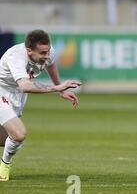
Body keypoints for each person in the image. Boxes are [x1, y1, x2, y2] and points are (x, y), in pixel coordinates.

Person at [0, 30, 82, 181]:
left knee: (5, 139)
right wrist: (55, 88)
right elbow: (25, 86)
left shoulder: (48, 52)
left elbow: (51, 65)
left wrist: (61, 89)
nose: (47, 55)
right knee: (19, 134)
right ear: (29, 50)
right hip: (2, 91)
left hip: (17, 95)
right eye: (43, 53)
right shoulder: (15, 57)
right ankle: (4, 165)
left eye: (48, 51)